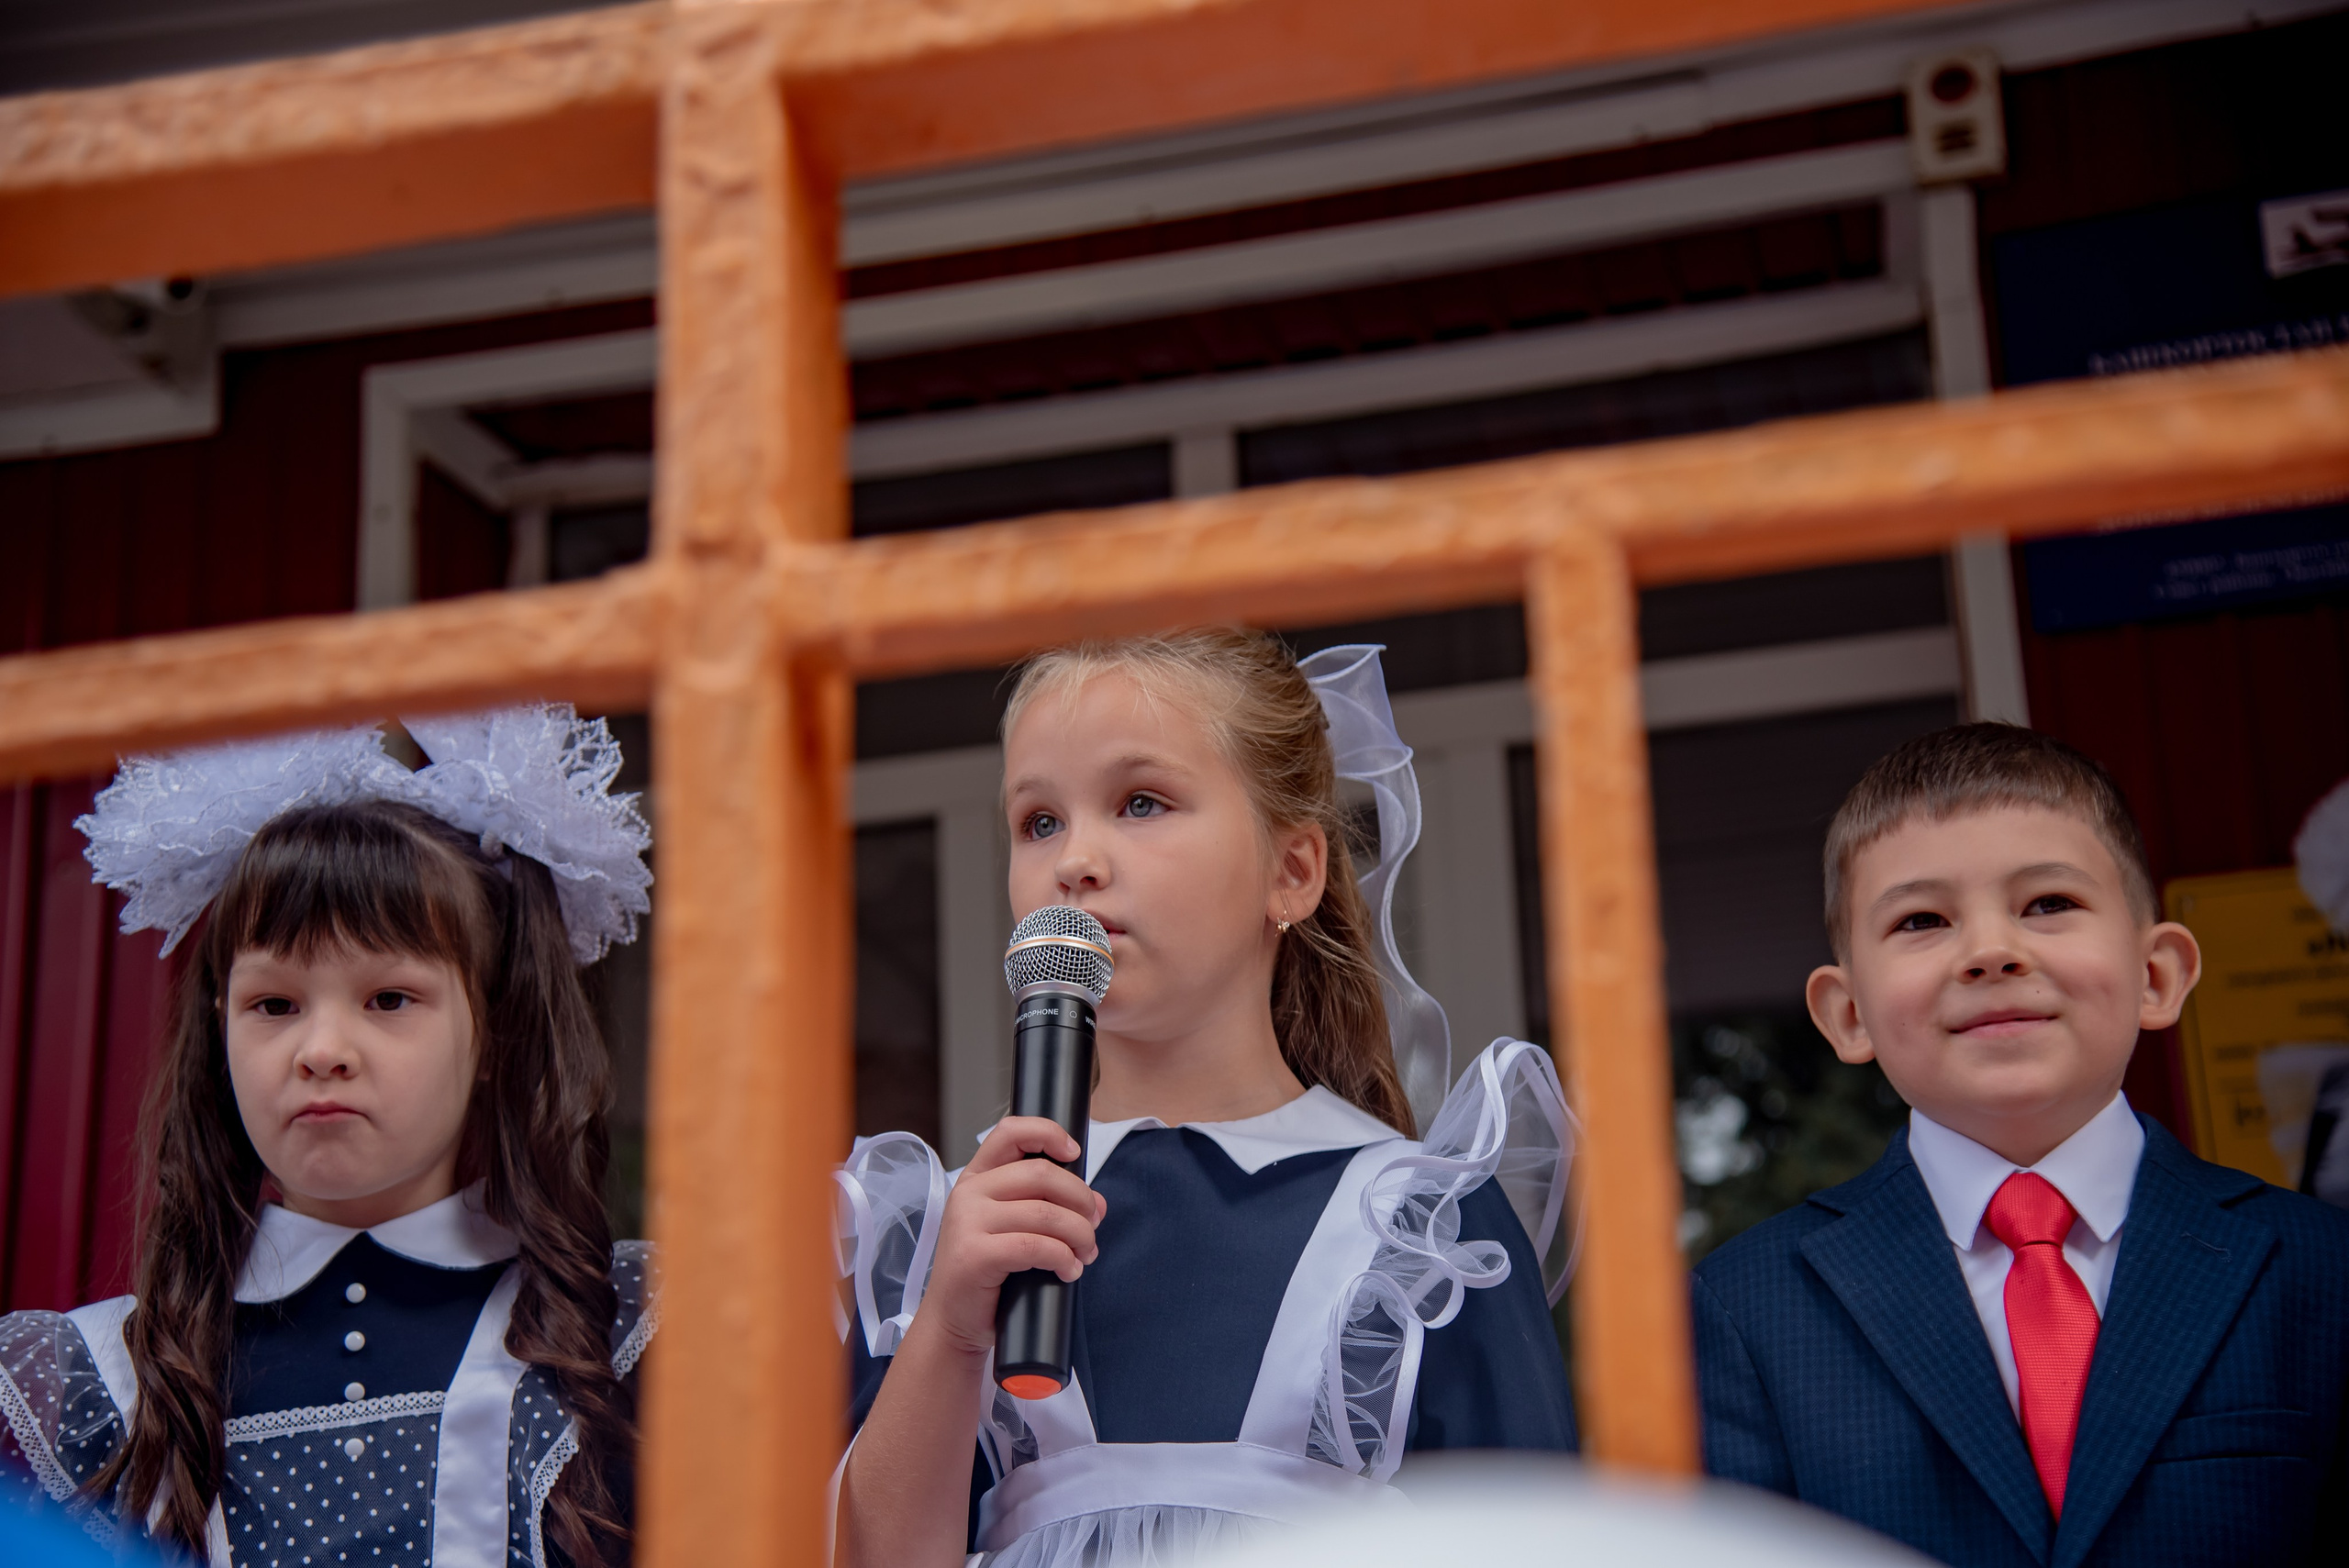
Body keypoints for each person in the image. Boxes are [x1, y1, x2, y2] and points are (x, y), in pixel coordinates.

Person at [835, 630, 1577, 1568]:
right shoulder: (956, 1224)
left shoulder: (1420, 1225)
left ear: (1292, 871)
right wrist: (947, 1323)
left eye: (1140, 801)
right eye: (1039, 822)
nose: (1076, 860)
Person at [0, 706, 658, 1568]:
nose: (321, 1052)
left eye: (389, 999)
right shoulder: (80, 1382)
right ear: (219, 1028)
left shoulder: (633, 1328)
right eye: (273, 1004)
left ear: (496, 1031)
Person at [1693, 723, 2349, 1565]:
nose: (1991, 951)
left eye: (2049, 903)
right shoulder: (1744, 1309)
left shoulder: (2323, 1271)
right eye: (1923, 919)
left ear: (2157, 975)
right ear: (1848, 1013)